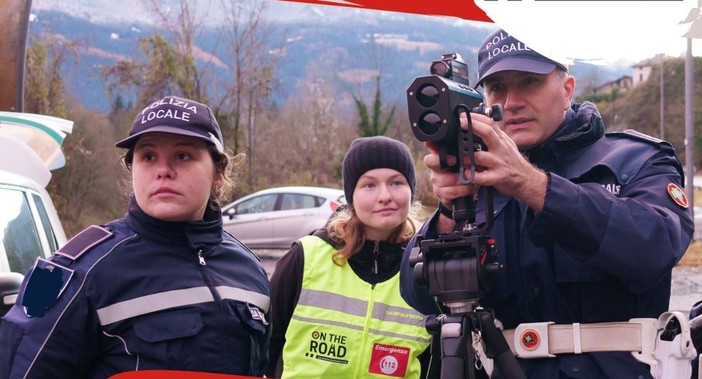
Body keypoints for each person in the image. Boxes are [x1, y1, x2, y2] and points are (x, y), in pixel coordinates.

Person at [400, 29, 695, 379]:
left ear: (567, 89)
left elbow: (654, 246)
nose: (511, 102)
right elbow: (416, 294)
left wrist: (533, 186)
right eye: (497, 87)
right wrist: (450, 212)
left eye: (529, 81)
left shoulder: (637, 158)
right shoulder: (478, 179)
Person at [0, 95, 271, 378]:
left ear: (218, 173)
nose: (163, 171)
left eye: (183, 155)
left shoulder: (250, 271)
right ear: (132, 170)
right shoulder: (69, 269)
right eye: (148, 156)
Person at [266, 136, 435, 379]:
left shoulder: (425, 265)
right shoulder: (306, 256)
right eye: (369, 185)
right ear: (351, 195)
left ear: (411, 191)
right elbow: (266, 345)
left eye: (396, 182)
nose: (385, 195)